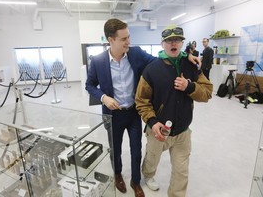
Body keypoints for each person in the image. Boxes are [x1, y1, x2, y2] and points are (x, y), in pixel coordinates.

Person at [85, 19, 201, 197]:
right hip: (112, 115)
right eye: (123, 39)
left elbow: (161, 61)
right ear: (111, 40)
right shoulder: (98, 61)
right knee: (115, 149)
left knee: (136, 149)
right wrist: (103, 97)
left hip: (133, 112)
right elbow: (90, 85)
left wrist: (186, 57)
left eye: (129, 37)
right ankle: (117, 175)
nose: (128, 42)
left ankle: (135, 181)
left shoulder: (136, 53)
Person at [135, 25, 213, 197]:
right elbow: (141, 101)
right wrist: (152, 122)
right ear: (162, 44)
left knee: (181, 171)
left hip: (183, 131)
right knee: (151, 159)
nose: (173, 43)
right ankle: (148, 175)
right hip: (158, 130)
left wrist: (190, 86)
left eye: (177, 39)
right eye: (169, 40)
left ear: (182, 43)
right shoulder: (151, 70)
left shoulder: (192, 66)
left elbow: (207, 93)